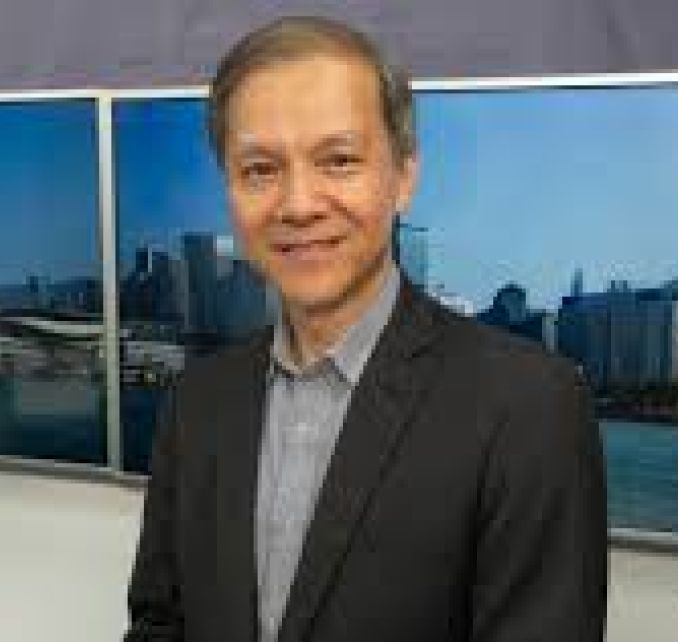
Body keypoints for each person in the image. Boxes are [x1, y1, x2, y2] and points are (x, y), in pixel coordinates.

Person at [126, 15, 607, 642]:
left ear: (403, 176)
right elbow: (158, 625)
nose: (299, 205)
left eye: (339, 160)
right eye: (261, 169)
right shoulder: (199, 401)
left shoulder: (531, 408)